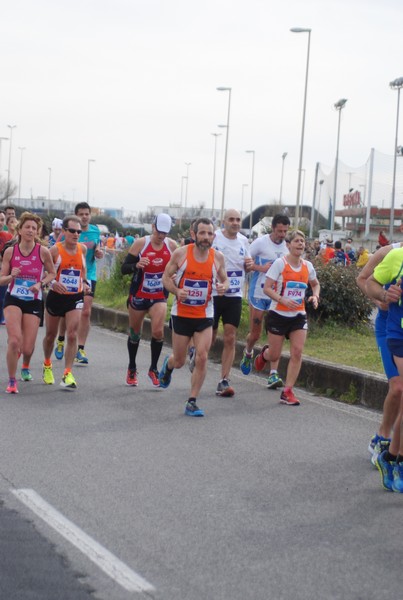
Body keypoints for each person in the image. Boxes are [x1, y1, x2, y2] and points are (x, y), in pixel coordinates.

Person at [159, 218, 229, 417]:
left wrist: (224, 286)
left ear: (214, 237)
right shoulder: (181, 254)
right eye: (202, 233)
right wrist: (176, 290)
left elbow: (225, 280)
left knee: (202, 356)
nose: (206, 237)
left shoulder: (218, 258)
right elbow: (165, 277)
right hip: (181, 313)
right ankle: (169, 365)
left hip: (204, 314)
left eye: (209, 234)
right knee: (180, 360)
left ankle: (192, 401)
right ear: (193, 234)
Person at [256, 230, 320, 406]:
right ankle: (265, 354)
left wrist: (315, 296)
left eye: (303, 241)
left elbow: (315, 284)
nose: (300, 244)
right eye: (297, 241)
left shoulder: (308, 266)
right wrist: (282, 299)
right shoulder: (280, 263)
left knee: (297, 352)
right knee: (275, 354)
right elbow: (267, 288)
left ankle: (288, 391)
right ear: (288, 245)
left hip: (298, 316)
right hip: (278, 314)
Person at [356, 243, 403, 467]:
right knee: (397, 387)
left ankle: (395, 448)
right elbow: (363, 280)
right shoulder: (388, 253)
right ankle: (383, 437)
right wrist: (381, 298)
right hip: (388, 326)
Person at [0, 212, 55, 393]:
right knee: (14, 341)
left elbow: (52, 273)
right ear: (20, 230)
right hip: (13, 298)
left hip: (33, 300)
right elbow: (1, 280)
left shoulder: (43, 252)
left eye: (34, 228)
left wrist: (40, 283)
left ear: (37, 232)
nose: (31, 231)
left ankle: (25, 365)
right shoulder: (10, 251)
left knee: (27, 347)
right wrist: (11, 276)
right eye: (27, 227)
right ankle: (12, 380)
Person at [120, 213, 177, 387]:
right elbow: (124, 269)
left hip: (159, 296)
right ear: (153, 227)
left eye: (165, 233)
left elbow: (182, 267)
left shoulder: (172, 246)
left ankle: (153, 369)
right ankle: (131, 367)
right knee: (135, 333)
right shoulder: (141, 244)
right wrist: (136, 265)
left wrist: (175, 276)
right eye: (159, 232)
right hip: (139, 295)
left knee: (158, 332)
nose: (161, 236)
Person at [239, 214, 290, 388]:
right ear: (272, 228)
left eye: (285, 231)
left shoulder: (287, 247)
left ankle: (273, 374)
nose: (282, 234)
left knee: (277, 335)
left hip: (278, 296)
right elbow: (246, 264)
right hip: (259, 293)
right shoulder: (260, 243)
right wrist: (262, 268)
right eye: (279, 230)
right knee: (255, 333)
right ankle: (248, 352)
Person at [42, 215, 90, 390]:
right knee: (50, 335)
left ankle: (67, 373)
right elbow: (44, 275)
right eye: (72, 231)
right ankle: (47, 364)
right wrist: (54, 283)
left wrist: (85, 284)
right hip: (56, 296)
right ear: (64, 231)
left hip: (75, 296)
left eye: (79, 231)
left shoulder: (82, 249)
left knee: (71, 334)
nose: (76, 234)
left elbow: (83, 272)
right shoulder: (54, 250)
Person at [211, 208, 253, 396]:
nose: (235, 222)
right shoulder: (215, 238)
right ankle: (195, 352)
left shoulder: (244, 241)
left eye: (238, 219)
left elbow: (247, 263)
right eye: (231, 219)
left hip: (234, 295)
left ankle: (224, 380)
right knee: (209, 339)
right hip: (213, 294)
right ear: (224, 221)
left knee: (230, 337)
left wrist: (249, 265)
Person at [54, 202, 102, 364]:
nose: (84, 217)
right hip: (67, 273)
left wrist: (99, 252)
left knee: (86, 311)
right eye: (81, 214)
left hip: (88, 274)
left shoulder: (95, 231)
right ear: (76, 216)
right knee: (65, 310)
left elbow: (98, 248)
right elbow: (57, 250)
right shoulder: (67, 232)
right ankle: (61, 339)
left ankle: (80, 348)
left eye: (87, 214)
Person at [0, 210, 13, 324]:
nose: (0, 222)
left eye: (2, 220)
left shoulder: (8, 236)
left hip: (3, 270)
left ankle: (2, 316)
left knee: (2, 296)